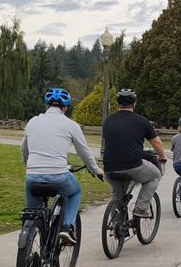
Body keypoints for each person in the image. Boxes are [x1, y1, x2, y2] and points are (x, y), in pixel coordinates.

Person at [21, 88, 104, 245]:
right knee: (75, 192)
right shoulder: (71, 125)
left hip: (32, 176)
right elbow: (84, 152)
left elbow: (24, 149)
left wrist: (30, 166)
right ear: (65, 107)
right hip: (58, 175)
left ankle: (30, 238)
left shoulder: (32, 122)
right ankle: (67, 227)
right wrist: (95, 170)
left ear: (46, 105)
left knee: (33, 214)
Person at [101, 88, 166, 218]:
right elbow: (157, 143)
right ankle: (141, 208)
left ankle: (116, 228)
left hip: (109, 168)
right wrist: (162, 156)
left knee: (117, 197)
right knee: (155, 176)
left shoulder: (108, 121)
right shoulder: (142, 121)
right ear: (134, 103)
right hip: (133, 166)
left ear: (117, 103)